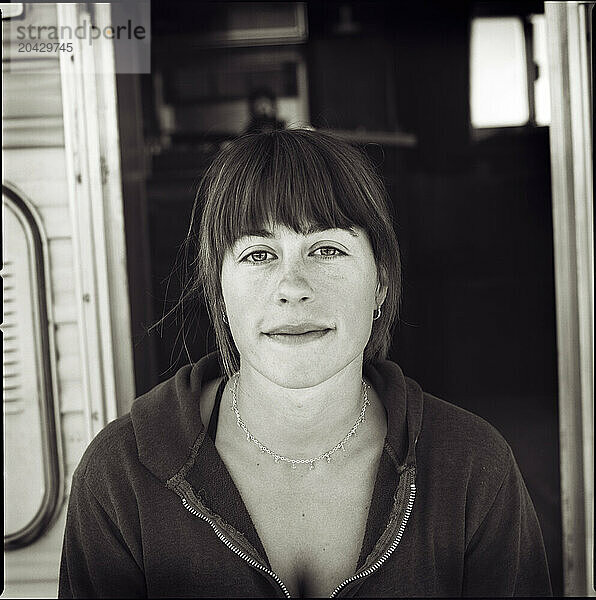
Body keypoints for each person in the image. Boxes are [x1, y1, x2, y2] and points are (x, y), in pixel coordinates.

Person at [59, 129, 552, 598]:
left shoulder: (473, 469)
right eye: (258, 254)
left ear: (379, 282)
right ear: (219, 288)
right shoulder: (119, 478)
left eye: (327, 249)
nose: (292, 286)